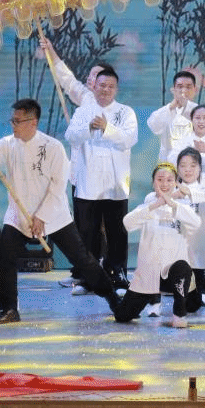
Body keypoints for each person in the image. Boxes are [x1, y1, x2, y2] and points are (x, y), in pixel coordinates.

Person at [0, 99, 119, 325]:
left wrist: (41, 216)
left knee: (82, 260)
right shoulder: (7, 144)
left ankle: (112, 298)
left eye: (18, 121)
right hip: (19, 215)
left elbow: (58, 186)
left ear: (33, 122)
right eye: (13, 120)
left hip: (54, 215)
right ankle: (9, 309)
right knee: (5, 258)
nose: (13, 125)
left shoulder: (53, 147)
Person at [62, 65, 138, 291]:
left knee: (117, 232)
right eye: (102, 85)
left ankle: (118, 276)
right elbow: (71, 137)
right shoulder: (83, 111)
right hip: (88, 182)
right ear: (93, 86)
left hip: (116, 183)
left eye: (110, 86)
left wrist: (107, 128)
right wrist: (89, 127)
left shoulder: (125, 112)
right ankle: (89, 279)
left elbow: (129, 139)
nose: (105, 90)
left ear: (116, 89)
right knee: (88, 233)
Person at [113, 163, 201, 328]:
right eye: (160, 179)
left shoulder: (182, 208)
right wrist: (157, 204)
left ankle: (179, 314)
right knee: (122, 316)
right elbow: (127, 222)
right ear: (153, 183)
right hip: (149, 277)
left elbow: (196, 223)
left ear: (176, 183)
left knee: (182, 269)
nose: (164, 184)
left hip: (175, 277)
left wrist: (172, 203)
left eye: (169, 180)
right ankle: (150, 299)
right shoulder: (147, 207)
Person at [166, 147, 205, 307]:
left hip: (199, 247)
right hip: (177, 244)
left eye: (193, 165)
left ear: (200, 168)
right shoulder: (170, 190)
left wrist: (190, 193)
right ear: (177, 168)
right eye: (183, 165)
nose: (188, 170)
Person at [148, 70, 205, 162]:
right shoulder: (167, 110)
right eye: (180, 87)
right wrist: (171, 107)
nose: (184, 91)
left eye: (188, 87)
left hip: (193, 163)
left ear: (195, 90)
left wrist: (186, 106)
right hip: (168, 164)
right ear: (173, 90)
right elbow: (153, 125)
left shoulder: (202, 111)